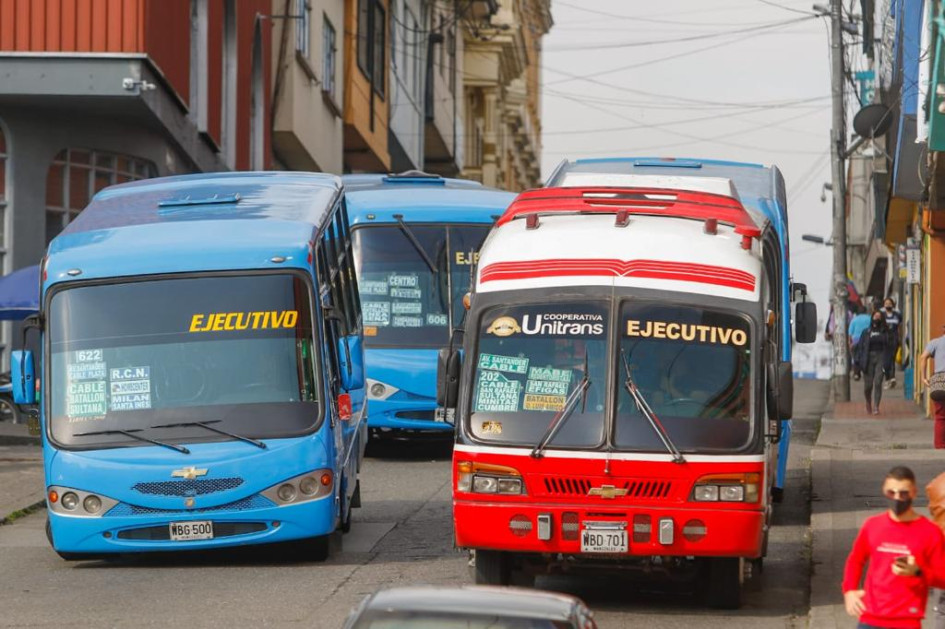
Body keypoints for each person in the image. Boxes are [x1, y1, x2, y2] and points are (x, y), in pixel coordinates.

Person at [843, 466, 945, 629]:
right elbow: (855, 560)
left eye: (903, 493)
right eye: (891, 493)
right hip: (870, 619)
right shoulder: (873, 525)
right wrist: (849, 591)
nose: (897, 498)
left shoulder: (930, 532)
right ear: (884, 491)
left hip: (907, 621)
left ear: (914, 493)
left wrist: (918, 572)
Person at [855, 311, 891, 415]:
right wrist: (858, 362)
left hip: (881, 357)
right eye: (875, 316)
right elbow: (860, 347)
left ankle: (876, 406)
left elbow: (890, 344)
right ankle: (868, 401)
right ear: (872, 318)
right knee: (868, 385)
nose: (877, 318)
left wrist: (889, 361)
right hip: (868, 358)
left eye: (879, 317)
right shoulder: (866, 332)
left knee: (878, 382)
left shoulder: (885, 331)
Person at [918, 323, 945, 449]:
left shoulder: (935, 342)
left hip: (939, 382)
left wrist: (923, 377)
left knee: (940, 416)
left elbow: (923, 357)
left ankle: (940, 445)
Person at [882, 298, 903, 388]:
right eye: (886, 303)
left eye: (890, 303)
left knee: (892, 359)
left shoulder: (897, 315)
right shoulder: (882, 315)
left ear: (893, 304)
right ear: (884, 305)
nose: (888, 305)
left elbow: (900, 327)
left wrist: (900, 338)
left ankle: (892, 378)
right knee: (885, 361)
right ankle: (887, 378)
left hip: (894, 339)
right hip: (884, 340)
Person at [849, 305, 872, 381]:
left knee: (856, 357)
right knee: (867, 356)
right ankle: (867, 372)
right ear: (866, 311)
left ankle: (856, 374)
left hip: (856, 339)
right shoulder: (869, 318)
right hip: (867, 339)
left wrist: (850, 343)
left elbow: (850, 332)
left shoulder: (854, 320)